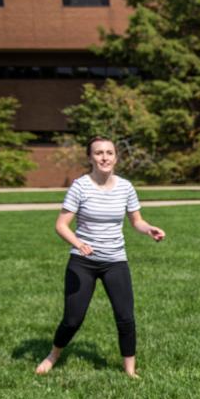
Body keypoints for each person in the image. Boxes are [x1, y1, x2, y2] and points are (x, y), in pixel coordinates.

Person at [35, 136, 165, 377]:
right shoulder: (80, 186)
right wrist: (78, 243)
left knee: (125, 316)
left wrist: (149, 229)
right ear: (90, 158)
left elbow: (136, 221)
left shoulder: (126, 187)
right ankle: (53, 354)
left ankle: (130, 371)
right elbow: (61, 225)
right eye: (98, 153)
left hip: (115, 261)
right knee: (73, 319)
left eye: (109, 152)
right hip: (82, 262)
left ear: (116, 157)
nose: (104, 157)